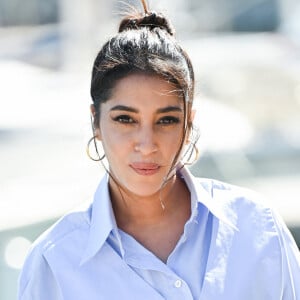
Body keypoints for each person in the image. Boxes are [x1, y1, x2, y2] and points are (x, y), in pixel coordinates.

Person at [18, 0, 300, 299]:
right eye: (125, 119)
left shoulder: (258, 227)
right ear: (95, 122)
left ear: (188, 123)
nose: (147, 144)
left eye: (166, 120)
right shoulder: (54, 261)